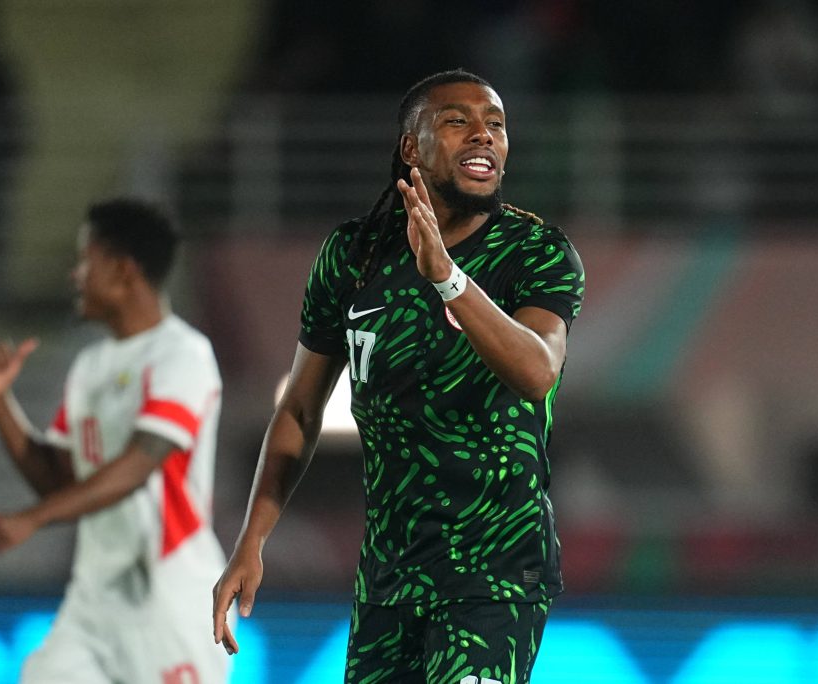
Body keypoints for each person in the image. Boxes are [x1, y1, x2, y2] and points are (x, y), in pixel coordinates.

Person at [213, 69, 585, 683]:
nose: (483, 136)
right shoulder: (352, 257)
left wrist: (448, 278)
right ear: (412, 147)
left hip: (495, 572)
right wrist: (252, 540)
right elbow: (301, 410)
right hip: (390, 578)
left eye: (495, 124)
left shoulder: (536, 251)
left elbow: (538, 371)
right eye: (457, 121)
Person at [0, 198, 230, 684]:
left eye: (86, 259)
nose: (76, 274)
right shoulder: (92, 367)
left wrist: (32, 520)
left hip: (167, 596)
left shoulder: (182, 355)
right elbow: (59, 479)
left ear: (123, 270)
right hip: (94, 602)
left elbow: (138, 465)